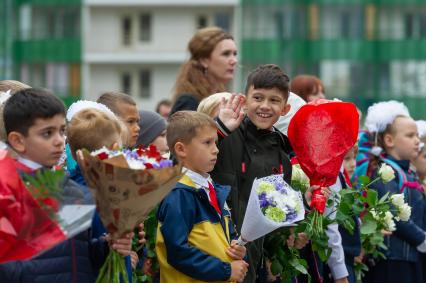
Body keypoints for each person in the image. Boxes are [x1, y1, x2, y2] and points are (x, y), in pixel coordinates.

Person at [0, 88, 133, 283]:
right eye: (47, 133)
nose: (59, 141)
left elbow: (78, 256)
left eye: (62, 131)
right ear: (18, 141)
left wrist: (107, 246)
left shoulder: (71, 190)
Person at [212, 64, 310, 282]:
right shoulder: (226, 134)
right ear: (245, 100)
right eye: (258, 98)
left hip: (250, 261)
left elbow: (274, 214)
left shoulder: (282, 156)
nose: (264, 106)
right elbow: (182, 163)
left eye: (274, 100)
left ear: (285, 109)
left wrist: (292, 229)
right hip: (211, 254)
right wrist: (218, 128)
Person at [156, 111, 248, 282]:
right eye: (207, 143)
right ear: (181, 149)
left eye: (216, 142)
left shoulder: (211, 187)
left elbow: (226, 233)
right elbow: (177, 252)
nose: (216, 150)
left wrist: (237, 247)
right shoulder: (179, 193)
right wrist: (226, 270)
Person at [360, 101, 426, 283]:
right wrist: (422, 239)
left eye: (417, 136)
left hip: (410, 257)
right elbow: (392, 212)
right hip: (392, 262)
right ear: (389, 140)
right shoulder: (385, 171)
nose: (417, 141)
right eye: (410, 135)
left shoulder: (408, 172)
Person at [170, 26, 237, 114]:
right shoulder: (189, 102)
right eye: (226, 54)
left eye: (235, 54)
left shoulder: (221, 98)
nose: (234, 61)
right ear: (204, 60)